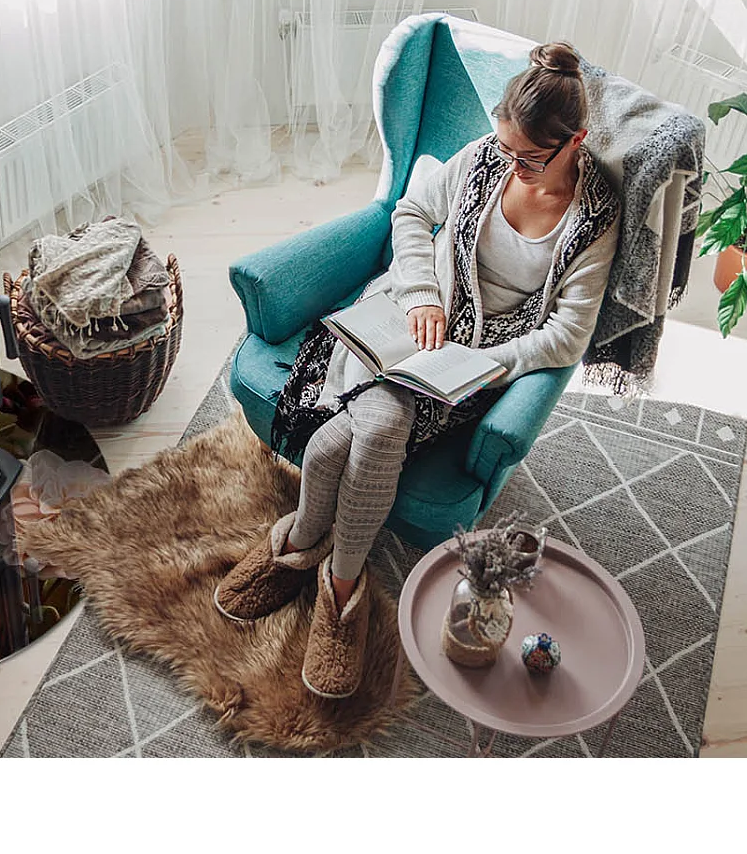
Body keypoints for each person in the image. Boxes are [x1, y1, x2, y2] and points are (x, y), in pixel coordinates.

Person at [213, 41, 623, 699]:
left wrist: (489, 365)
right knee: (363, 435)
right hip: (410, 313)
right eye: (504, 147)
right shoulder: (489, 154)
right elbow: (410, 211)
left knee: (347, 441)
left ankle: (315, 566)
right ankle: (327, 574)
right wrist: (421, 297)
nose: (509, 166)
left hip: (478, 359)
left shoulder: (595, 216)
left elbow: (568, 334)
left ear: (573, 141)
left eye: (527, 158)